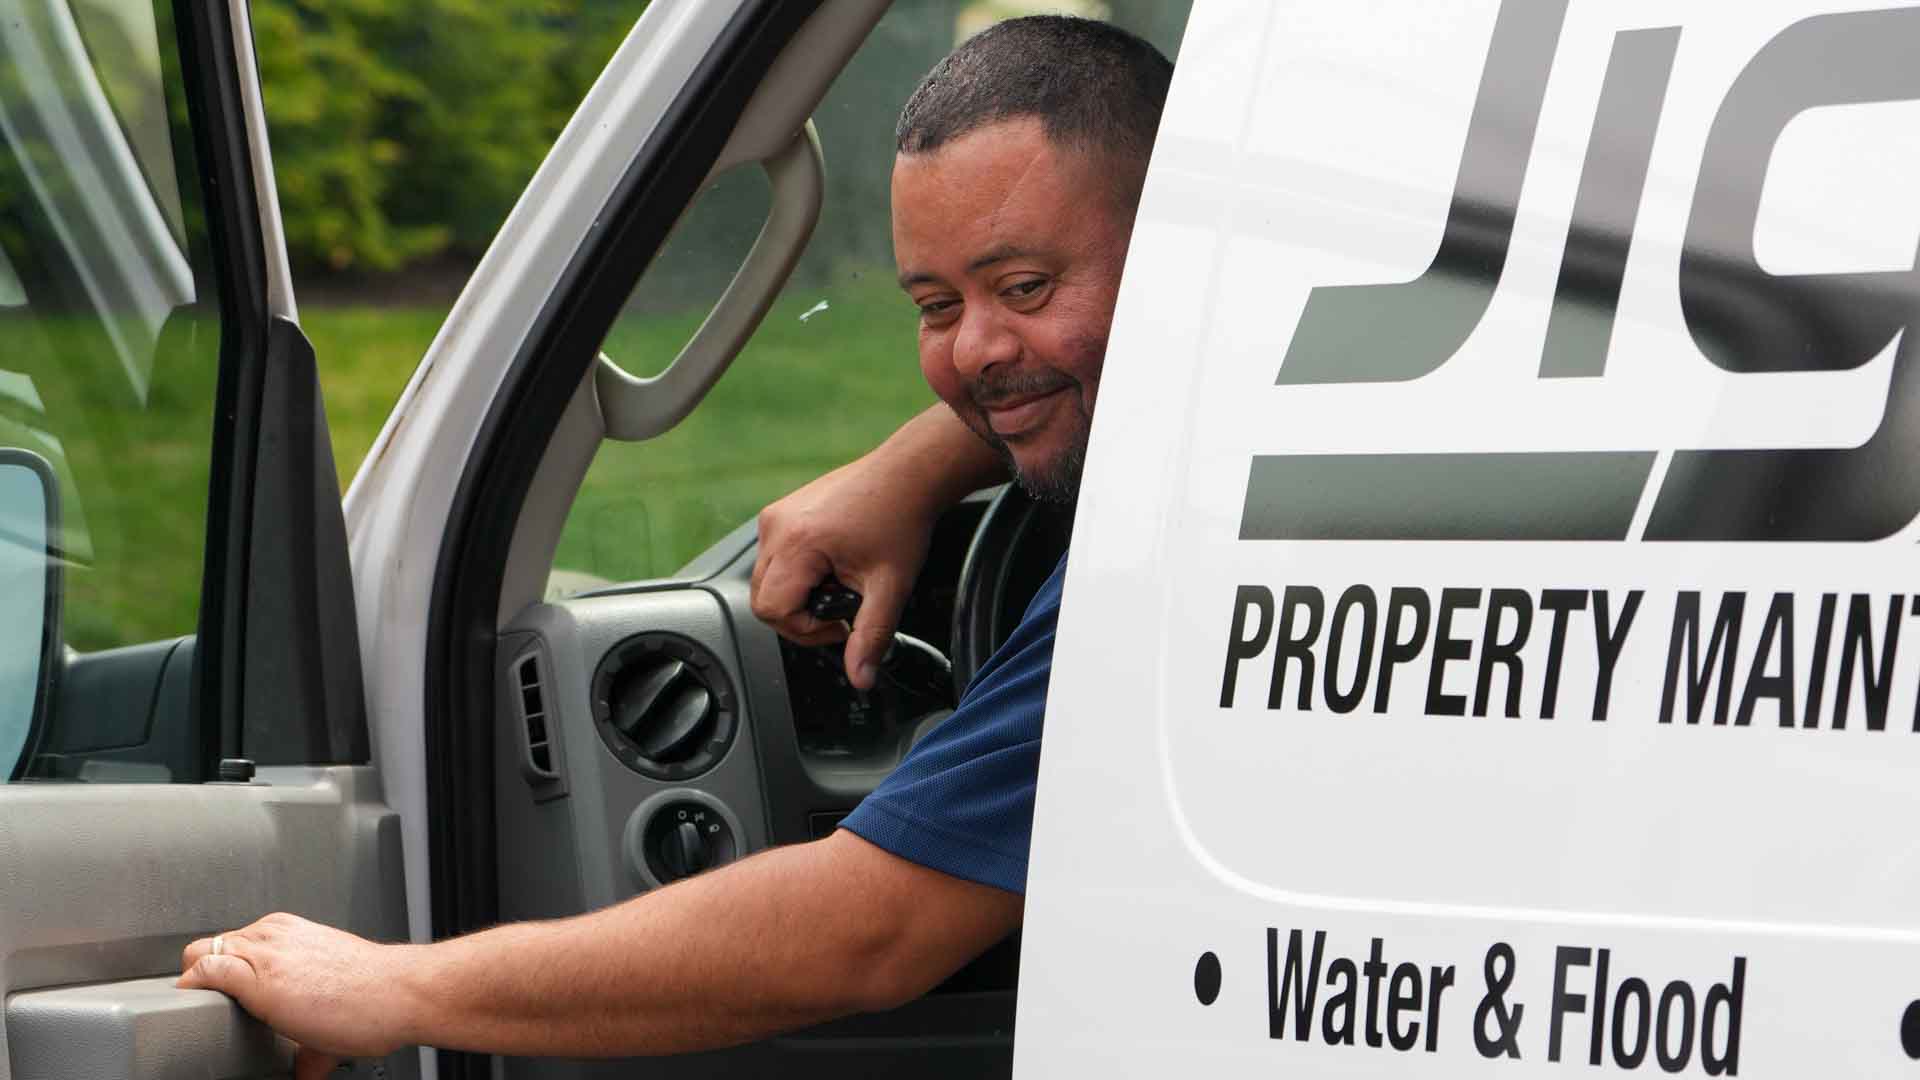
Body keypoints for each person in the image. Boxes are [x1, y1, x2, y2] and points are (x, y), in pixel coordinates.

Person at [177, 16, 1172, 1076]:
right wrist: (918, 464)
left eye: (1024, 287)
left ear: (1184, 251)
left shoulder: (1168, 576)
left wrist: (392, 989)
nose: (971, 350)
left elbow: (870, 928)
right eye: (935, 305)